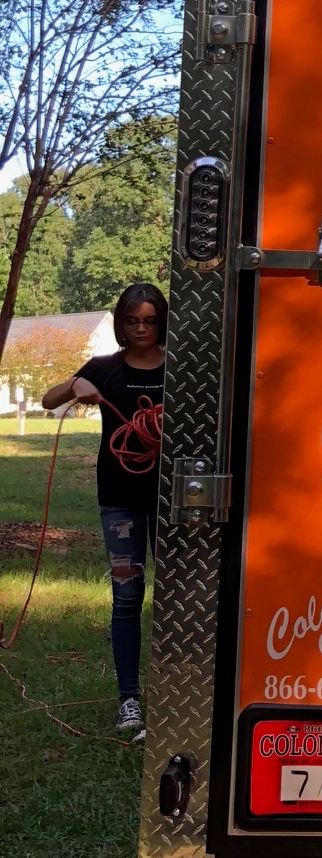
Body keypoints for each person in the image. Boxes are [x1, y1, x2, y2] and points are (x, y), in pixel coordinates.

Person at [42, 283, 167, 732]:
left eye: (149, 321)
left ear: (162, 322)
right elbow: (49, 400)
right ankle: (129, 699)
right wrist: (75, 384)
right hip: (119, 500)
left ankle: (180, 694)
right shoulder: (104, 368)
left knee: (177, 599)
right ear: (121, 323)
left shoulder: (181, 369)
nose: (141, 329)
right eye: (132, 321)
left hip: (172, 499)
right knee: (127, 597)